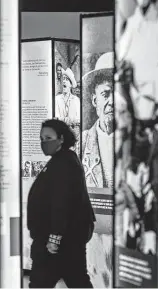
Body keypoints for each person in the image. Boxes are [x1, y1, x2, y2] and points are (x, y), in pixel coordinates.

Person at [117, 0, 158, 237]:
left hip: (156, 128)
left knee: (153, 211)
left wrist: (139, 86)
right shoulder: (129, 27)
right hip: (134, 129)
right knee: (131, 204)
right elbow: (120, 81)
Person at [27, 119, 95, 288]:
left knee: (44, 282)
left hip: (59, 241)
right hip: (63, 239)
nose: (44, 143)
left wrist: (54, 238)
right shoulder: (62, 160)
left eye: (48, 138)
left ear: (62, 138)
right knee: (76, 280)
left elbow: (61, 202)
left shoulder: (64, 163)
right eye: (42, 139)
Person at [82, 52, 114, 189]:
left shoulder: (136, 142)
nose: (112, 102)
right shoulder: (82, 143)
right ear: (95, 100)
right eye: (105, 94)